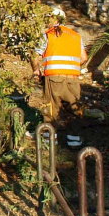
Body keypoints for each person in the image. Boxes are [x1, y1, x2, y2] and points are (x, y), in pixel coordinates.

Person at [31, 8, 88, 148]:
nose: (47, 22)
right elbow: (83, 57)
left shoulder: (48, 35)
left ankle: (49, 140)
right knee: (74, 108)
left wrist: (36, 70)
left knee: (51, 108)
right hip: (73, 79)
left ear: (55, 20)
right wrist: (71, 66)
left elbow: (33, 55)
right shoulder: (75, 35)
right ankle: (74, 140)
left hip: (54, 77)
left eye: (49, 19)